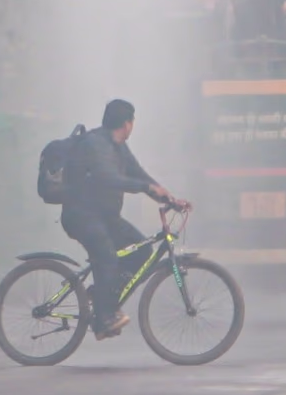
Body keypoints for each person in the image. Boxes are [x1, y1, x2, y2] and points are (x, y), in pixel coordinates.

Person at [61, 99, 190, 340]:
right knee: (107, 257)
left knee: (143, 254)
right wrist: (144, 187)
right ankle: (104, 318)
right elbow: (108, 178)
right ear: (127, 123)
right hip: (82, 216)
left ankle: (102, 297)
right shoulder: (95, 144)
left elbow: (138, 174)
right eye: (133, 122)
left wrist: (168, 198)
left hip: (106, 217)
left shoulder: (118, 146)